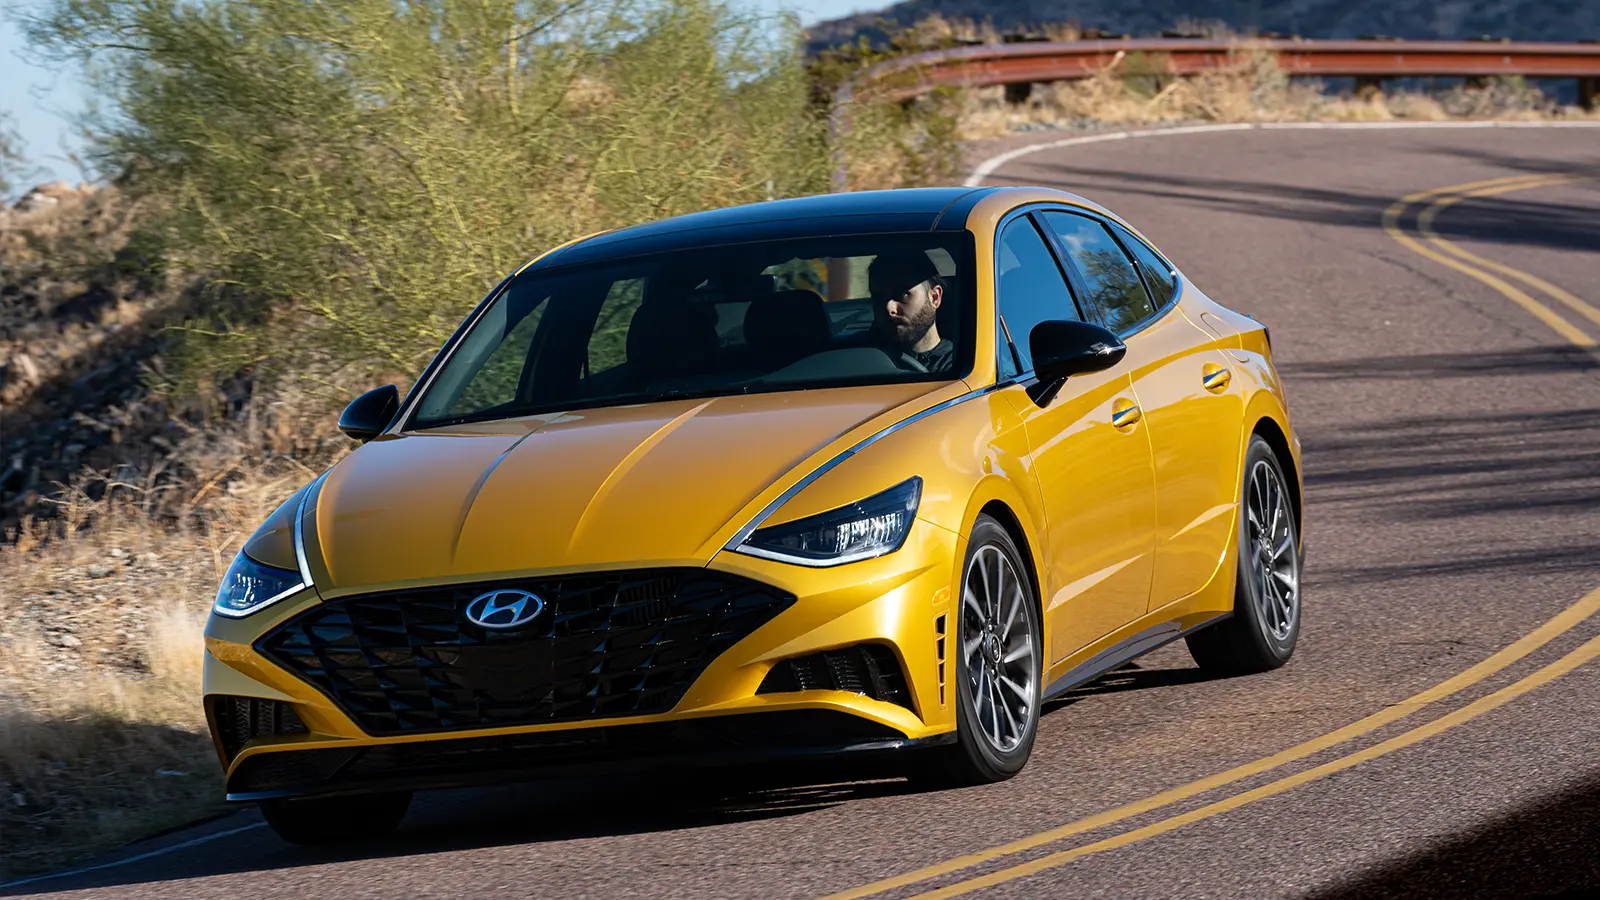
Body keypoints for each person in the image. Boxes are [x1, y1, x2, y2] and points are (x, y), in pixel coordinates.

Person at [867, 250, 955, 373]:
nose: (889, 308)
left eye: (902, 294)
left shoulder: (960, 365)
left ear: (935, 297)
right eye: (878, 297)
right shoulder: (859, 359)